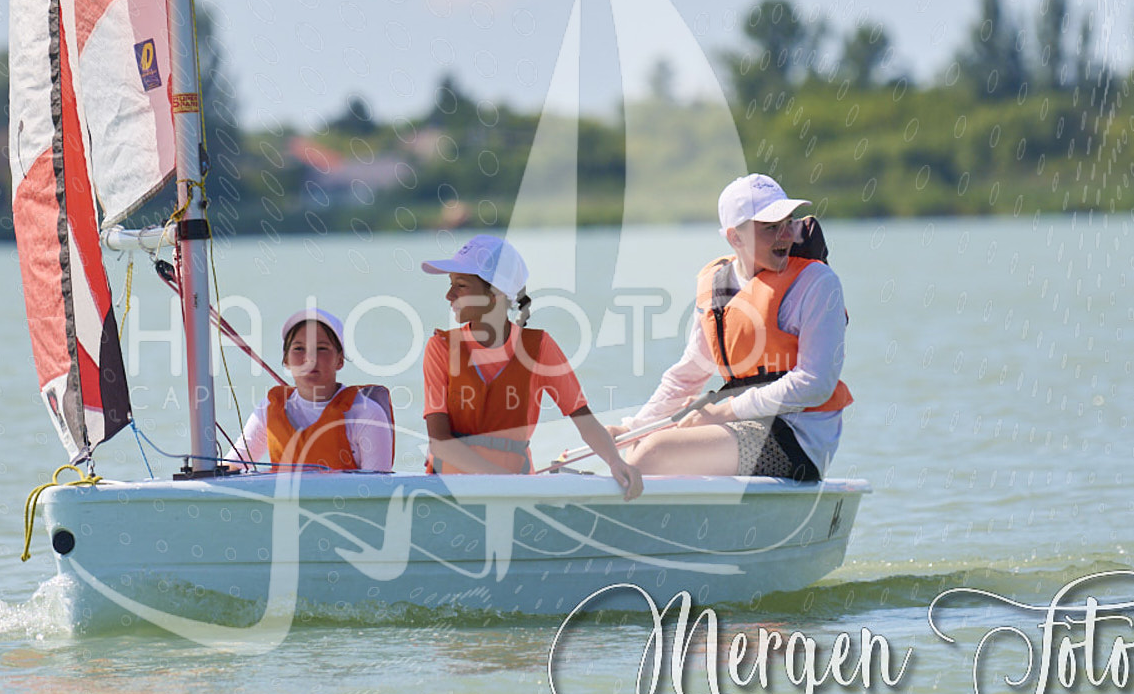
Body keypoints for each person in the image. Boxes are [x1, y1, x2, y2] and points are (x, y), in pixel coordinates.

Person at [614, 173, 851, 481]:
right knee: (639, 447)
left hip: (798, 438)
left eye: (788, 222)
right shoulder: (716, 287)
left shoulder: (818, 283)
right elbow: (688, 375)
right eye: (770, 227)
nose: (785, 236)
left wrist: (723, 412)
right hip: (739, 424)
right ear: (735, 237)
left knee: (654, 452)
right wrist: (630, 430)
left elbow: (816, 383)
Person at [420, 234, 643, 500]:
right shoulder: (440, 348)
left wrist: (615, 462)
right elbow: (440, 443)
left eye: (461, 285)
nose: (449, 295)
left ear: (495, 294)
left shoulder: (539, 347)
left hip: (517, 491)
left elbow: (585, 421)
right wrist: (504, 481)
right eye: (451, 284)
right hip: (455, 491)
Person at [227, 308, 394, 472]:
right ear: (286, 360)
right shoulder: (269, 408)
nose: (310, 359)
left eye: (321, 348)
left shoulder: (366, 414)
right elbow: (234, 464)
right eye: (299, 349)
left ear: (340, 360)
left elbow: (377, 486)